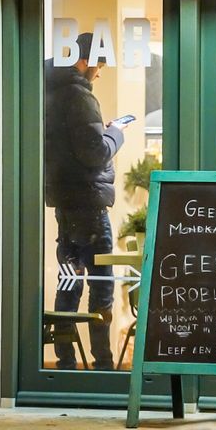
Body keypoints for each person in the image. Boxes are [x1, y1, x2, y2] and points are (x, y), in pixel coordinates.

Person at [44, 32, 129, 370]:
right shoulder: (79, 95)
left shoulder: (51, 91)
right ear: (91, 61)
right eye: (100, 67)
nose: (98, 74)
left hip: (65, 203)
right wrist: (115, 133)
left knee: (69, 281)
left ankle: (64, 362)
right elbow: (95, 152)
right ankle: (104, 365)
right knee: (101, 286)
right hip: (90, 205)